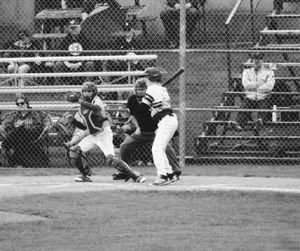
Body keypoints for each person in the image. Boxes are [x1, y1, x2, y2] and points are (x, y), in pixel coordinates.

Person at [63, 81, 146, 183]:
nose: (87, 94)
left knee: (111, 159)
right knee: (74, 151)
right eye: (84, 92)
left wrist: (80, 101)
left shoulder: (97, 101)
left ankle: (135, 176)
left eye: (89, 91)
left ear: (94, 92)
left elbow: (96, 109)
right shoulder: (82, 107)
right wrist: (73, 121)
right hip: (93, 135)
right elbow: (84, 127)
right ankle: (84, 175)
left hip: (103, 134)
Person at [113, 78, 181, 181]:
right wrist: (137, 127)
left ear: (147, 89)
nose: (139, 91)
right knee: (124, 146)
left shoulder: (152, 98)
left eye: (142, 89)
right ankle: (125, 172)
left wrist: (159, 128)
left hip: (156, 130)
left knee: (166, 147)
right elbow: (133, 116)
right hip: (142, 131)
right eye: (138, 89)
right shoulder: (132, 99)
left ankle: (175, 171)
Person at [137, 67, 179, 186]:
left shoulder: (152, 88)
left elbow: (143, 109)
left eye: (146, 76)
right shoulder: (161, 89)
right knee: (160, 148)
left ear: (152, 77)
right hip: (168, 120)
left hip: (166, 121)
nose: (145, 79)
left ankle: (162, 176)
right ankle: (170, 174)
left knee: (157, 148)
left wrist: (143, 103)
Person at [0, 96, 51, 167]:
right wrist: (2, 127)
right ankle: (21, 162)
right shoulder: (14, 115)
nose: (20, 105)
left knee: (21, 128)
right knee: (19, 131)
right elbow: (5, 123)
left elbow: (46, 119)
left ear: (27, 104)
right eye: (18, 104)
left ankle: (4, 144)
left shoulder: (35, 113)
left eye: (22, 103)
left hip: (33, 135)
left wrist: (47, 126)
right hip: (19, 139)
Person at [234, 53, 276, 132]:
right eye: (255, 59)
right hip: (250, 97)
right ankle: (238, 125)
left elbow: (270, 86)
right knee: (244, 106)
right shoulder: (247, 71)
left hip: (263, 97)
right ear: (252, 60)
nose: (257, 61)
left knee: (265, 105)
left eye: (259, 59)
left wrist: (254, 88)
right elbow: (246, 85)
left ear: (262, 60)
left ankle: (259, 123)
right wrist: (259, 84)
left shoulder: (269, 72)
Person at [53, 19, 95, 85]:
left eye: (75, 27)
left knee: (89, 64)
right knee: (58, 64)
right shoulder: (66, 40)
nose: (73, 30)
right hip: (68, 65)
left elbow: (88, 55)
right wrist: (68, 64)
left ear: (79, 28)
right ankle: (59, 89)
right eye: (71, 28)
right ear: (69, 29)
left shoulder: (85, 39)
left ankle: (86, 87)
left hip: (81, 65)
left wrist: (78, 64)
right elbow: (60, 54)